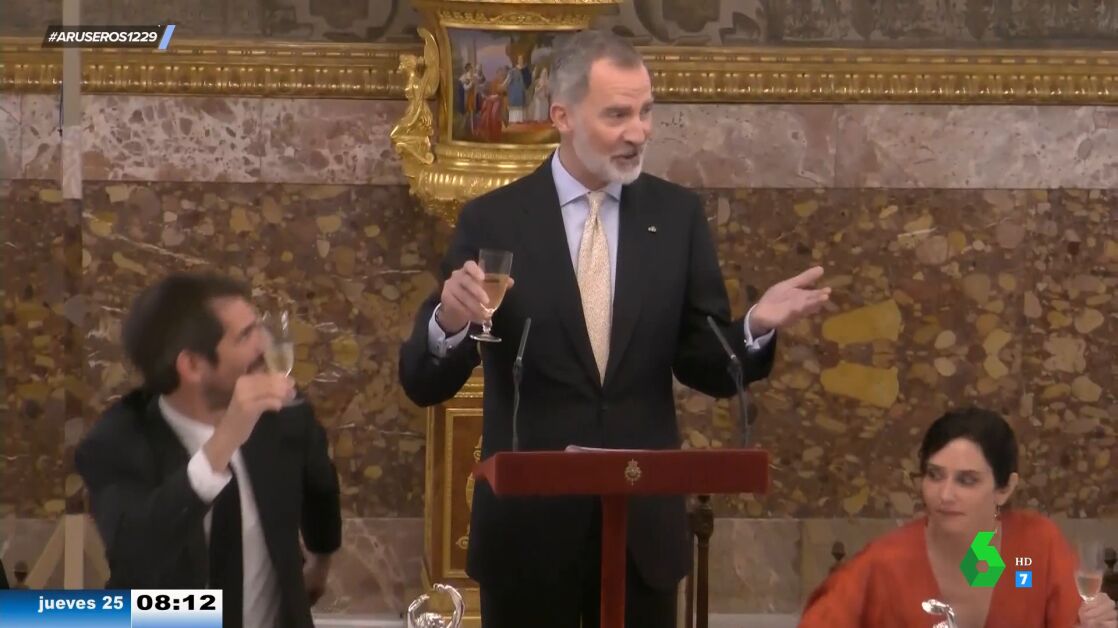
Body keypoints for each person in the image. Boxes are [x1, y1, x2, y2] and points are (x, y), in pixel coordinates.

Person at [399, 29, 829, 628]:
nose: (639, 132)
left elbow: (703, 361)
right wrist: (448, 320)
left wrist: (754, 326)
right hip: (529, 540)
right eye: (617, 115)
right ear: (563, 117)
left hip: (640, 541)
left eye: (646, 112)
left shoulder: (676, 217)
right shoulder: (494, 220)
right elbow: (424, 382)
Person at [75, 272, 342, 628]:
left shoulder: (284, 415)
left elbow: (320, 486)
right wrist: (224, 441)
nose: (264, 343)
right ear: (192, 365)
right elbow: (135, 554)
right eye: (246, 335)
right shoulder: (115, 443)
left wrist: (321, 561)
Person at [800, 407, 1118, 628]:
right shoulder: (882, 562)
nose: (945, 494)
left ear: (1005, 489)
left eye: (967, 480)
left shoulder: (1036, 545)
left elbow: (1074, 619)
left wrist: (1094, 622)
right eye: (935, 475)